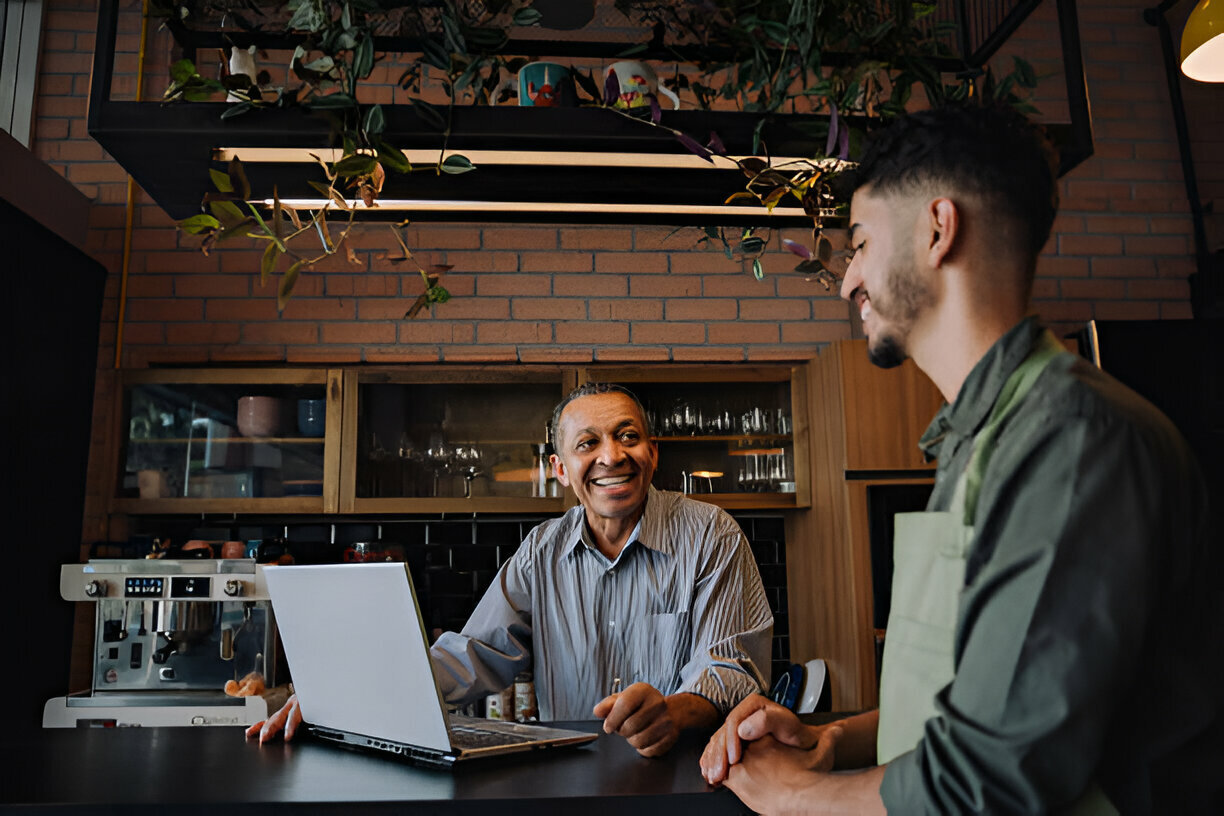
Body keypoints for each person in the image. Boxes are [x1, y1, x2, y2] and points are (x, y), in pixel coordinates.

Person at [700, 103, 1222, 813]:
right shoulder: (985, 436)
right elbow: (995, 692)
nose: (848, 280)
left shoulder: (1072, 441)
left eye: (859, 244)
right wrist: (836, 741)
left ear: (938, 230)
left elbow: (998, 771)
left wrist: (797, 795)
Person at [251, 382, 773, 757]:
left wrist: (675, 712)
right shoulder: (541, 551)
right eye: (588, 443)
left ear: (652, 453)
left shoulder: (710, 533)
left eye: (628, 436)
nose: (612, 456)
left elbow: (732, 668)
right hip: (572, 777)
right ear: (559, 468)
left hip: (689, 772)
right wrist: (344, 693)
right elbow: (472, 655)